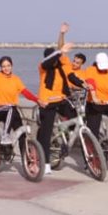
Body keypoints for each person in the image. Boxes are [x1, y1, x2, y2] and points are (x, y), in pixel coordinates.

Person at [35, 22, 84, 174]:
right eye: (55, 57)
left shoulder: (62, 65)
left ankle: (66, 143)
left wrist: (84, 84)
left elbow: (71, 76)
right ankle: (46, 164)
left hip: (61, 100)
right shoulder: (43, 67)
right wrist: (59, 49)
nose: (56, 60)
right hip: (47, 103)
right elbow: (50, 59)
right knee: (46, 133)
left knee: (76, 119)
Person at [0, 44, 39, 143]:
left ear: (11, 66)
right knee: (11, 108)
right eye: (4, 66)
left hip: (12, 110)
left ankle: (24, 152)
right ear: (1, 67)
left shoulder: (16, 79)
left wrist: (37, 100)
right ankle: (5, 135)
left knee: (21, 134)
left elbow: (25, 92)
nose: (6, 68)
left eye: (8, 66)